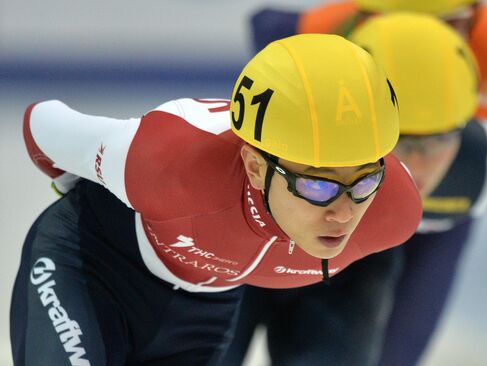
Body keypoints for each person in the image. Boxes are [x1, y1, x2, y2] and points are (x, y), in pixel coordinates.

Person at [9, 34, 422, 366]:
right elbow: (41, 123)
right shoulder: (167, 165)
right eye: (318, 186)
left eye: (365, 182)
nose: (345, 212)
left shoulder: (392, 212)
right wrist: (76, 195)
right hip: (92, 268)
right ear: (256, 168)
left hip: (201, 315)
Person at [223, 13, 487, 366]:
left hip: (366, 253)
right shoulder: (288, 103)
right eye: (401, 141)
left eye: (441, 138)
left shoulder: (484, 173)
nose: (419, 166)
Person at [249, 0, 487, 124]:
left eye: (443, 27)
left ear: (473, 17)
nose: (418, 48)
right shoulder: (306, 39)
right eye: (393, 27)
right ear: (360, 17)